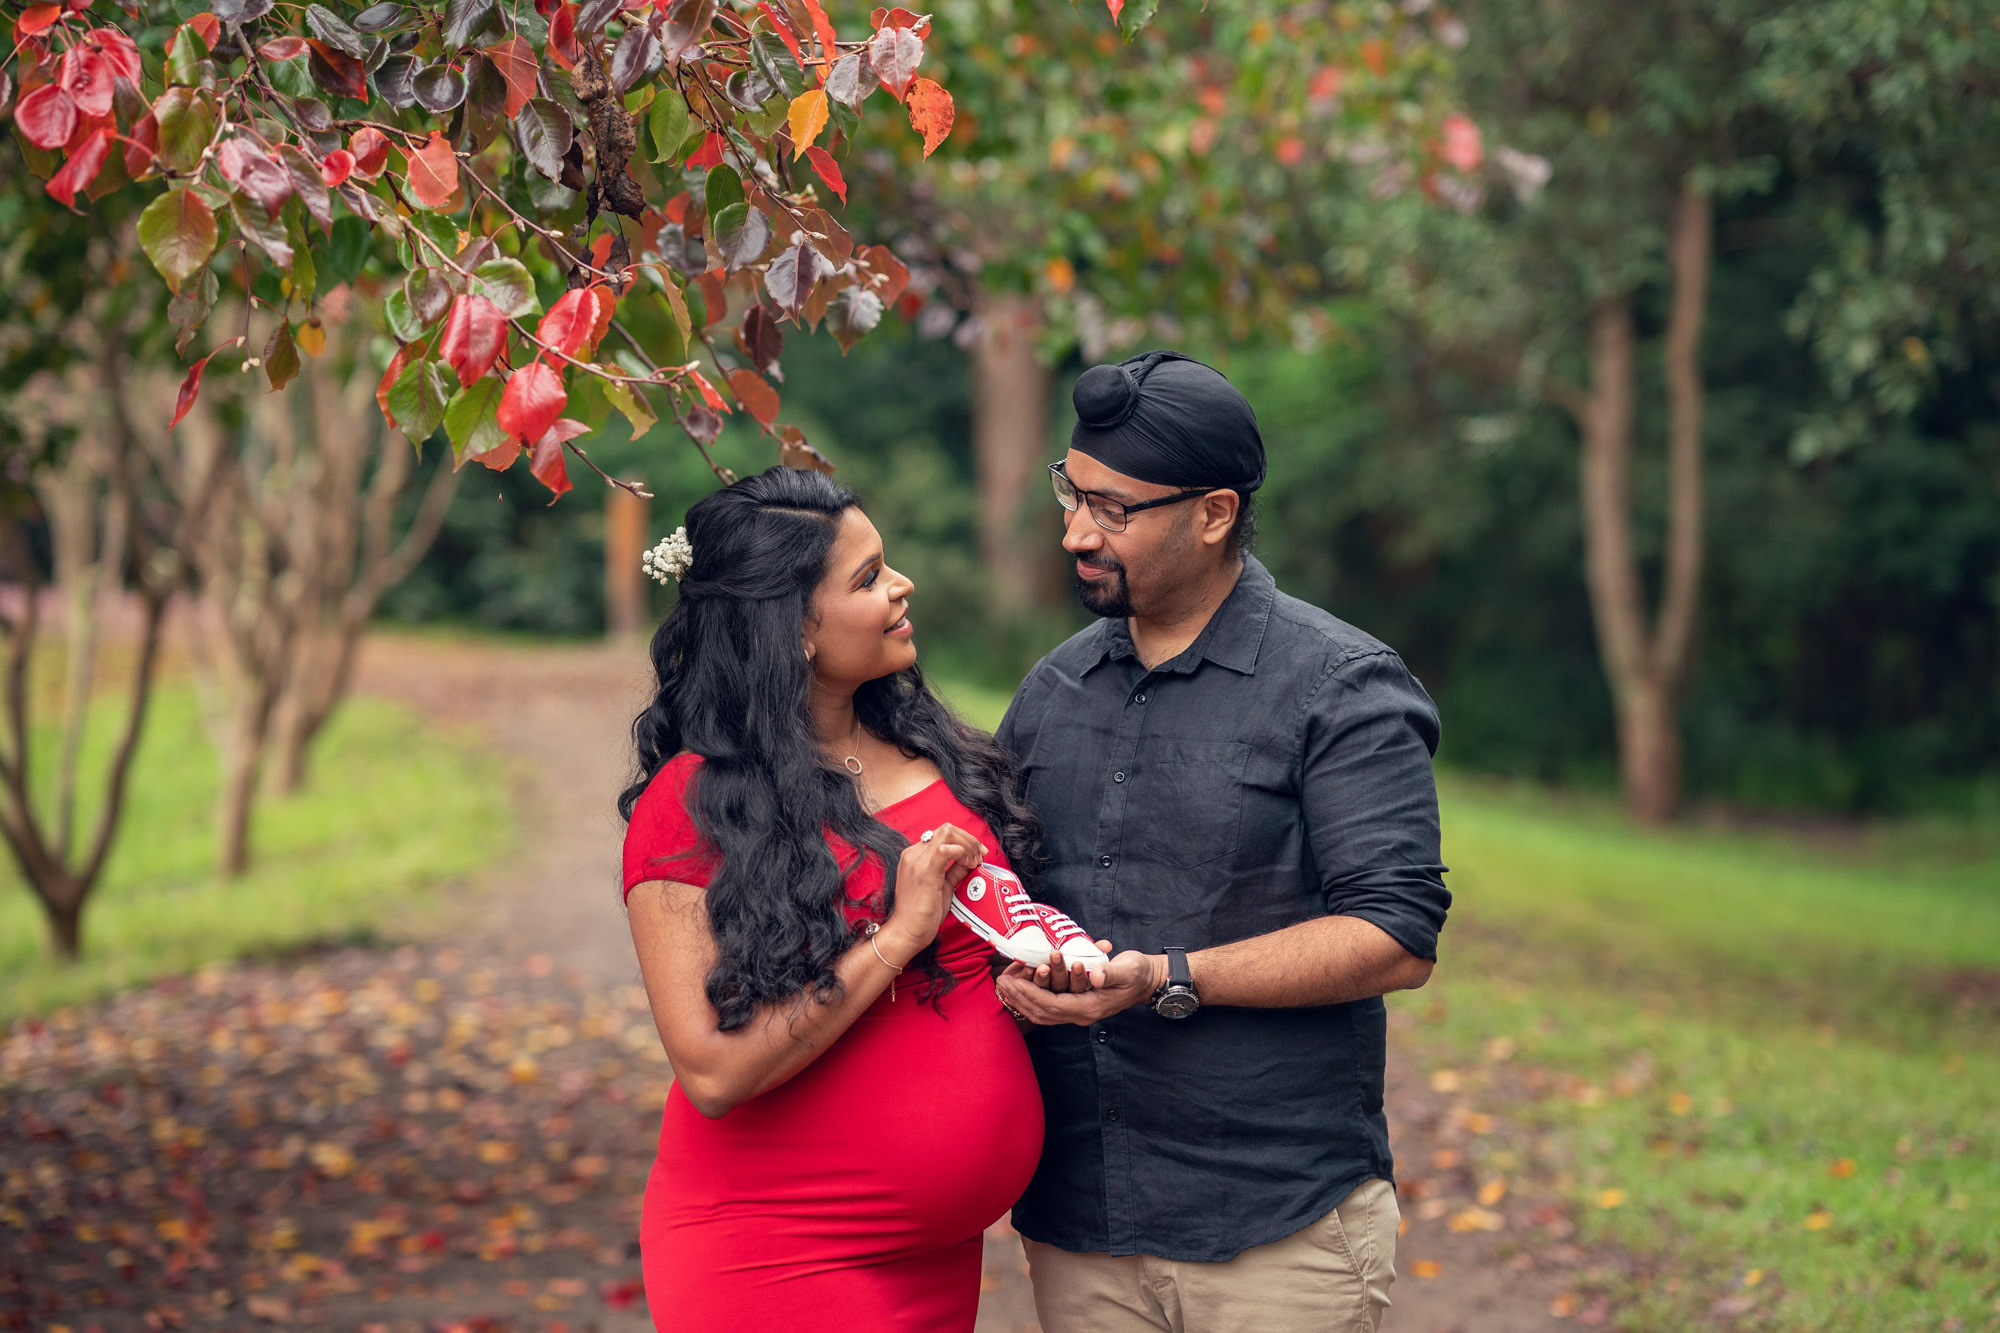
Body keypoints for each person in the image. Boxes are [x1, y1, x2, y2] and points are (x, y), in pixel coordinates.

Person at [994, 351, 1451, 1333]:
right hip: (1081, 1226)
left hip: (1275, 1236)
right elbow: (1005, 900)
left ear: (1211, 514)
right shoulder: (1049, 691)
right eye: (1070, 492)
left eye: (1113, 509)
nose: (1076, 529)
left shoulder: (1341, 687)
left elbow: (1395, 934)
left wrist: (1167, 973)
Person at [617, 466, 1046, 1332]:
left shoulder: (929, 743)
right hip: (777, 1252)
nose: (902, 585)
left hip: (936, 1255)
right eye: (867, 578)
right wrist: (898, 932)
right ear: (795, 630)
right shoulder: (693, 802)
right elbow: (710, 1071)